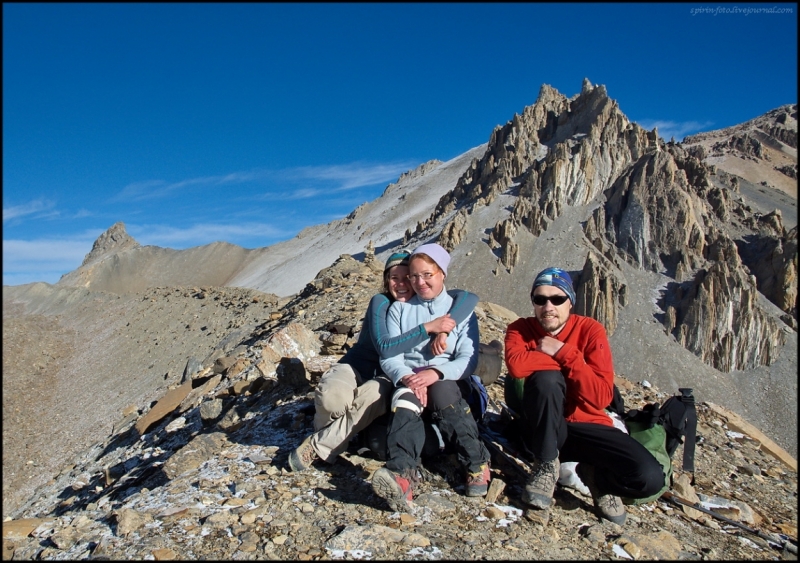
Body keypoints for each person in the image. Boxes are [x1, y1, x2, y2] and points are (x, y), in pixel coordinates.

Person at [288, 250, 479, 472]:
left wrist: (445, 330)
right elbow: (386, 348)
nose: (404, 284)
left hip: (386, 376)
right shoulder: (384, 303)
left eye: (408, 277)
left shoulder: (438, 301)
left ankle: (319, 448)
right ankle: (331, 437)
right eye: (394, 278)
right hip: (359, 367)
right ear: (386, 280)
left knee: (370, 397)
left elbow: (468, 298)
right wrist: (430, 328)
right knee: (333, 401)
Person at [504, 267, 664, 525]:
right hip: (543, 426)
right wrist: (572, 364)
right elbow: (517, 366)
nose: (548, 306)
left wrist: (563, 353)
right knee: (546, 380)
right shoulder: (520, 329)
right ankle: (546, 465)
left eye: (557, 299)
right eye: (540, 299)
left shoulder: (591, 330)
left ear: (570, 301)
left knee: (650, 478)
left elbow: (601, 398)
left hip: (587, 424)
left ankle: (598, 480)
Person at [372, 243, 491, 512]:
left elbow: (467, 359)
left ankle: (476, 462)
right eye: (414, 276)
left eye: (427, 274)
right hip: (410, 379)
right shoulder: (399, 309)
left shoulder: (460, 311)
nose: (419, 282)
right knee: (404, 399)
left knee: (442, 391)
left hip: (448, 379)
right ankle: (402, 474)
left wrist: (435, 372)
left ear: (442, 274)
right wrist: (408, 378)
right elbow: (390, 355)